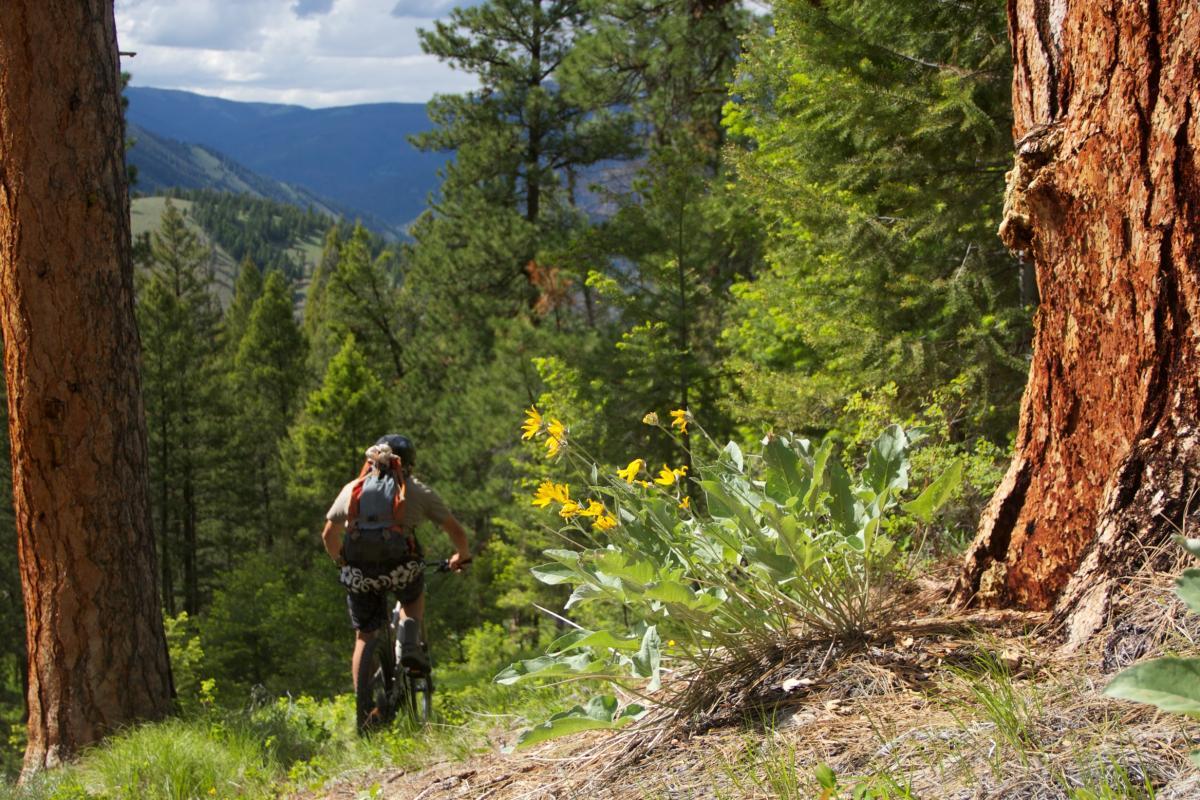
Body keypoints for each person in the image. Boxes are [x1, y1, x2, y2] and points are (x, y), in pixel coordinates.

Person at [321, 433, 470, 687]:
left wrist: (343, 565)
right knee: (412, 595)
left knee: (365, 636)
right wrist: (462, 555)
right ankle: (409, 642)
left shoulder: (353, 489)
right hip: (401, 569)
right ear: (408, 463)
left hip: (359, 574)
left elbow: (328, 535)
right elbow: (455, 531)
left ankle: (364, 708)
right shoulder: (417, 491)